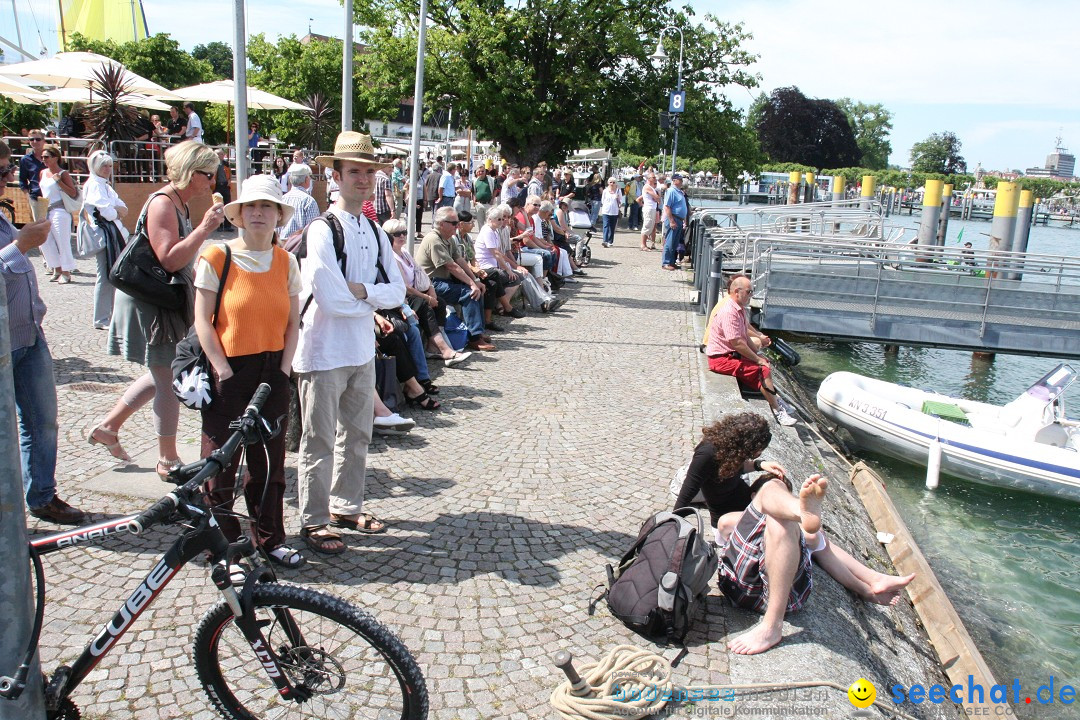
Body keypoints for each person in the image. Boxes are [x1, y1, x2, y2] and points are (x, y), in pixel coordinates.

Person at [674, 413, 914, 655]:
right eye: (756, 451)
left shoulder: (730, 452)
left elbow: (735, 465)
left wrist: (759, 466)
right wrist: (673, 533)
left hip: (756, 523)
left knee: (806, 532)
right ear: (744, 442)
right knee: (774, 493)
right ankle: (799, 510)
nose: (756, 456)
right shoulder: (707, 454)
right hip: (733, 527)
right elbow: (687, 493)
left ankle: (870, 582)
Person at [294, 132, 406, 555]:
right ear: (335, 176)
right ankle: (315, 519)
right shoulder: (322, 229)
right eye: (354, 171)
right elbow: (331, 298)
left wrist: (361, 291)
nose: (362, 179)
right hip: (322, 350)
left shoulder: (374, 230)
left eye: (368, 171)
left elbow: (397, 291)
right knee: (319, 439)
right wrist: (367, 295)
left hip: (360, 349)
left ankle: (345, 506)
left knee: (357, 434)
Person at [89, 142, 225, 471]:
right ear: (192, 175)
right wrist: (206, 228)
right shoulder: (163, 203)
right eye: (209, 175)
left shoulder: (179, 202)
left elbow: (179, 261)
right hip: (149, 303)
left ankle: (108, 427)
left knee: (161, 369)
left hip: (162, 299)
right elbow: (168, 257)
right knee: (166, 376)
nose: (213, 182)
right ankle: (167, 458)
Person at [194, 175, 304, 568]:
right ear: (239, 215)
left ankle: (270, 539)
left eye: (267, 207)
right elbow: (203, 321)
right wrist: (222, 370)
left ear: (278, 215)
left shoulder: (286, 262)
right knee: (220, 463)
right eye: (251, 207)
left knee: (269, 463)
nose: (258, 213)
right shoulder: (217, 257)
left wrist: (284, 370)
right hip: (229, 369)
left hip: (272, 369)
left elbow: (293, 322)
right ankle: (223, 544)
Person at [0, 140, 86, 524]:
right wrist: (20, 245)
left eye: (6, 172)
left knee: (42, 421)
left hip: (28, 336)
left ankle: (41, 496)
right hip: (5, 343)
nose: (7, 181)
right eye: (2, 173)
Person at [705, 275, 797, 426]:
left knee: (763, 363)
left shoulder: (738, 309)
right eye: (749, 291)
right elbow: (737, 343)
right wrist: (757, 359)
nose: (751, 295)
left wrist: (757, 355)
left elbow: (744, 337)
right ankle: (777, 409)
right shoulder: (729, 312)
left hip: (729, 354)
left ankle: (776, 400)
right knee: (761, 370)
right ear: (737, 292)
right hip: (720, 359)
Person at [385, 218, 471, 366]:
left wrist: (431, 291)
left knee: (440, 303)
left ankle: (433, 346)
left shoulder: (405, 252)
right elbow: (404, 287)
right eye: (396, 233)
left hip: (417, 292)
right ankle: (445, 350)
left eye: (404, 233)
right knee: (426, 306)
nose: (401, 236)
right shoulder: (390, 257)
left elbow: (421, 274)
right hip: (404, 297)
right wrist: (426, 296)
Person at [416, 206, 494, 351]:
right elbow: (451, 266)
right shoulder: (434, 239)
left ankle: (478, 332)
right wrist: (472, 284)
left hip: (443, 281)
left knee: (479, 289)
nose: (457, 226)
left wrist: (476, 281)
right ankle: (474, 337)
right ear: (441, 224)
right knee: (469, 293)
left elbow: (460, 261)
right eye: (453, 223)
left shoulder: (448, 239)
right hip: (431, 285)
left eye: (457, 222)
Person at [82, 150, 128, 329]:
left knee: (111, 274)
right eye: (104, 166)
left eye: (110, 165)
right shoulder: (95, 185)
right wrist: (116, 211)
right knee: (105, 276)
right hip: (104, 235)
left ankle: (108, 315)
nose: (108, 169)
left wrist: (115, 210)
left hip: (111, 234)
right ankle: (101, 318)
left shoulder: (104, 185)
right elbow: (108, 213)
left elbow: (122, 206)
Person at [37, 144, 78, 284]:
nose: (44, 160)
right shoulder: (42, 172)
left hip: (60, 210)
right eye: (42, 157)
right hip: (45, 210)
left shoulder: (63, 173)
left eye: (47, 157)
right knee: (45, 241)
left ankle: (66, 271)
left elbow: (73, 193)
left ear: (55, 158)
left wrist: (59, 182)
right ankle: (56, 268)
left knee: (62, 241)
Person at [279, 163, 320, 239]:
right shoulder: (309, 201)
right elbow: (313, 230)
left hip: (282, 246)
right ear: (306, 180)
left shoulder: (282, 199)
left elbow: (276, 228)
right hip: (300, 246)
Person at [19, 129, 47, 222]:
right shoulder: (25, 160)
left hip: (53, 197)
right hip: (36, 197)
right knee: (39, 228)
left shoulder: (51, 156)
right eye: (32, 139)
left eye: (38, 139)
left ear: (43, 140)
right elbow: (22, 180)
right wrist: (28, 196)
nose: (35, 142)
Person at [661, 172, 688, 269]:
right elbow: (667, 207)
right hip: (674, 218)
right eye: (680, 180)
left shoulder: (679, 191)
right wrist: (671, 221)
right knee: (669, 241)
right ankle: (666, 263)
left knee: (675, 243)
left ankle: (672, 262)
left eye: (681, 180)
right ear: (674, 181)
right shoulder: (671, 191)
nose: (681, 182)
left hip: (679, 219)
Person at [639, 172, 660, 251]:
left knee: (651, 226)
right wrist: (657, 198)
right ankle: (643, 244)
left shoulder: (652, 188)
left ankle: (644, 244)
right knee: (647, 225)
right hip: (649, 208)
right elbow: (657, 198)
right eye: (653, 177)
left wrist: (657, 198)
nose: (655, 179)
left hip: (652, 208)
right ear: (649, 179)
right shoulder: (647, 187)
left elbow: (658, 199)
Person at [600, 178, 623, 248]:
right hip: (606, 211)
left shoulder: (618, 191)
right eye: (610, 182)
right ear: (608, 183)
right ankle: (605, 240)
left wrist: (618, 199)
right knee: (606, 225)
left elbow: (621, 201)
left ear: (616, 183)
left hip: (614, 211)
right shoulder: (605, 191)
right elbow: (602, 201)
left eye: (613, 182)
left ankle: (610, 241)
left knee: (612, 227)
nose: (612, 184)